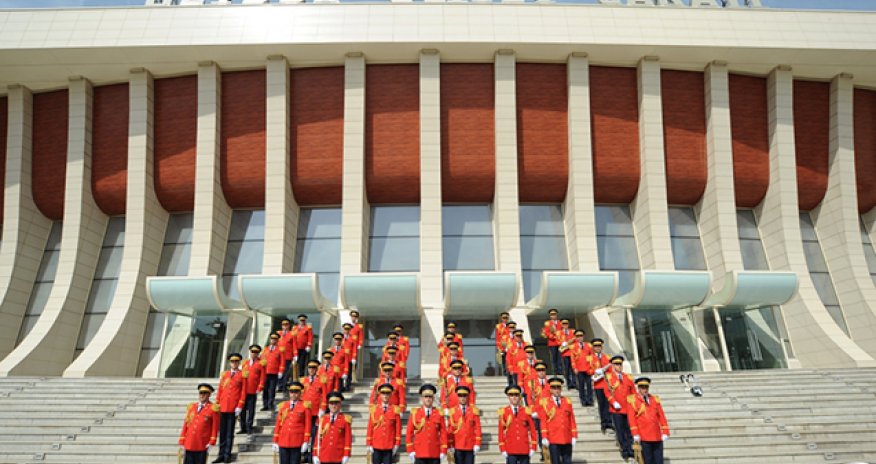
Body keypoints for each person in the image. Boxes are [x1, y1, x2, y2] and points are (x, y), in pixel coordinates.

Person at [628, 377, 670, 464]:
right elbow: (631, 418)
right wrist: (635, 433)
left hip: (656, 435)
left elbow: (661, 416)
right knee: (648, 460)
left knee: (659, 460)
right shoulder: (633, 400)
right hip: (644, 436)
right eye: (642, 387)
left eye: (646, 387)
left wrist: (665, 431)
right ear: (638, 388)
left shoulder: (654, 399)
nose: (645, 389)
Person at [537, 377, 577, 464]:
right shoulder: (545, 403)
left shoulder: (567, 401)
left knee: (567, 461)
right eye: (554, 388)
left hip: (566, 437)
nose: (556, 390)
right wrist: (544, 436)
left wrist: (574, 435)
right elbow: (543, 421)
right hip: (553, 438)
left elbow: (571, 419)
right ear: (550, 389)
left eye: (558, 388)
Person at [214, 353, 246, 463]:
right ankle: (220, 454)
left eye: (236, 361)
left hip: (233, 407)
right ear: (230, 363)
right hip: (223, 406)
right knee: (222, 432)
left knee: (229, 433)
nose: (234, 363)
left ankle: (227, 454)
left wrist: (240, 406)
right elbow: (220, 390)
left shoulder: (242, 375)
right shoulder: (225, 375)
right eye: (232, 361)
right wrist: (217, 403)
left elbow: (243, 392)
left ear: (239, 363)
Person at [604, 355, 636, 461]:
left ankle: (631, 449)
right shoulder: (609, 377)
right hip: (616, 409)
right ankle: (625, 450)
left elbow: (633, 393)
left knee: (629, 430)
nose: (619, 366)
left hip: (628, 408)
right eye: (617, 364)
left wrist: (633, 405)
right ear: (613, 365)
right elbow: (607, 392)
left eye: (620, 364)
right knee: (620, 430)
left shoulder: (628, 377)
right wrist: (613, 402)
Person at [406, 384, 448, 464]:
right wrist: (410, 450)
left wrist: (443, 450)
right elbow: (409, 433)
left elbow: (443, 433)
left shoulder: (439, 413)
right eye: (426, 396)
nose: (428, 399)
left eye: (430, 397)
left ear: (433, 398)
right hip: (419, 452)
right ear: (422, 398)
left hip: (434, 453)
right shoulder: (415, 413)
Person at [178, 383, 220, 464]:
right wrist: (182, 439)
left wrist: (212, 441)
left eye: (204, 393)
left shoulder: (213, 408)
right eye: (200, 393)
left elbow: (215, 427)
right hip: (189, 442)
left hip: (202, 443)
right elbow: (186, 424)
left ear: (209, 394)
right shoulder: (192, 407)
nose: (202, 395)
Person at [272, 382, 312, 464]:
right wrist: (275, 440)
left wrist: (306, 441)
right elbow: (278, 424)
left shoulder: (305, 406)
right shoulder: (283, 406)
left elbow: (307, 425)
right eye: (291, 392)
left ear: (300, 393)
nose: (294, 394)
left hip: (296, 441)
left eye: (296, 392)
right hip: (283, 440)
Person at [497, 385, 538, 464]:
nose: (514, 397)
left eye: (516, 395)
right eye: (511, 395)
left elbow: (533, 430)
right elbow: (501, 432)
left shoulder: (526, 411)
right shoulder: (504, 412)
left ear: (519, 396)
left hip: (524, 448)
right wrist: (502, 448)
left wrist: (533, 447)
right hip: (510, 449)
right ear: (508, 397)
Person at [366, 383, 403, 464]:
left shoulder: (395, 410)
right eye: (383, 393)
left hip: (389, 445)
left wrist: (397, 444)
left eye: (387, 393)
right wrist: (369, 443)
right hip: (376, 444)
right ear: (380, 395)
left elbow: (398, 428)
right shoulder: (374, 409)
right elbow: (370, 427)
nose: (385, 396)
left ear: (390, 395)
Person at [313, 392, 352, 464]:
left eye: (336, 403)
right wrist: (315, 454)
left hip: (338, 455)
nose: (334, 406)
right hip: (324, 455)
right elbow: (318, 438)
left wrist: (347, 454)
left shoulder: (345, 419)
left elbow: (348, 439)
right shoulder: (323, 419)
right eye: (331, 403)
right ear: (328, 405)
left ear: (340, 404)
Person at [301, 360, 328, 463]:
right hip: (304, 413)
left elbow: (325, 396)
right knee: (304, 434)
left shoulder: (321, 381)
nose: (311, 370)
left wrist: (322, 408)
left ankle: (312, 455)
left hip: (315, 413)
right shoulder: (303, 381)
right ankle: (303, 455)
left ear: (316, 370)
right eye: (309, 368)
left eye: (313, 368)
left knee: (314, 434)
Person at [447, 386, 481, 464]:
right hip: (458, 445)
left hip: (470, 445)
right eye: (460, 395)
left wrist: (477, 443)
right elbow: (450, 429)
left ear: (468, 396)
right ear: (457, 397)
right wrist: (450, 444)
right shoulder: (453, 411)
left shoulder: (474, 411)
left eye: (464, 395)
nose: (462, 398)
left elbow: (477, 428)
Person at [239, 344, 265, 434]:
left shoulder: (260, 363)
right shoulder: (245, 363)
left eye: (256, 352)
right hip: (243, 390)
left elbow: (262, 377)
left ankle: (249, 426)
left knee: (251, 410)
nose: (254, 354)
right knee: (242, 410)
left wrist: (260, 387)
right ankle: (243, 427)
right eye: (253, 352)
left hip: (252, 390)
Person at [588, 339, 613, 433]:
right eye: (596, 346)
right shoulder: (590, 358)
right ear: (593, 348)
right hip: (598, 384)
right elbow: (588, 370)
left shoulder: (607, 357)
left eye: (599, 346)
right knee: (601, 404)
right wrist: (595, 372)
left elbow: (611, 370)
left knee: (608, 403)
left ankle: (609, 422)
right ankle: (604, 423)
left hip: (607, 384)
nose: (597, 348)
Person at [569, 330, 594, 407]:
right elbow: (572, 358)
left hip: (588, 368)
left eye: (581, 336)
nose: (579, 338)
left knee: (589, 385)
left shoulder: (588, 345)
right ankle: (583, 400)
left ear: (583, 337)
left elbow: (592, 356)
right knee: (581, 385)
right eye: (578, 337)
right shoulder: (573, 346)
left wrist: (592, 367)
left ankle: (590, 400)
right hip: (579, 368)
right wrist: (574, 368)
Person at [261, 333, 285, 411]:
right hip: (265, 372)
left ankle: (270, 404)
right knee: (265, 389)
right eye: (272, 339)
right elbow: (261, 360)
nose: (273, 341)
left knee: (272, 389)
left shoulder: (280, 350)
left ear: (277, 340)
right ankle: (265, 404)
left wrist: (281, 371)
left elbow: (282, 361)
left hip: (274, 372)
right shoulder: (265, 349)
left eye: (275, 339)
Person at [541, 309, 562, 375]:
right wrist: (553, 337)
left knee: (560, 357)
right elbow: (546, 332)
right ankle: (555, 371)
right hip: (552, 342)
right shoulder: (547, 323)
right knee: (553, 357)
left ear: (556, 315)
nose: (553, 316)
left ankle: (560, 371)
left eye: (554, 314)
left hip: (560, 343)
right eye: (551, 315)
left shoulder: (560, 322)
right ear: (550, 316)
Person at [277, 320, 297, 391]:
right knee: (279, 371)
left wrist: (295, 354)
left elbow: (294, 345)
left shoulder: (292, 334)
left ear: (289, 326)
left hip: (287, 356)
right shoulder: (278, 334)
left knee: (285, 372)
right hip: (278, 356)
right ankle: (279, 385)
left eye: (286, 325)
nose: (285, 327)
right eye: (284, 325)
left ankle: (283, 385)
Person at [558, 319, 577, 389]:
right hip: (565, 353)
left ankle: (574, 383)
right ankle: (569, 383)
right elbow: (558, 341)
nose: (565, 325)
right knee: (566, 369)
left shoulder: (573, 331)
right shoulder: (559, 332)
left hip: (572, 352)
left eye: (566, 324)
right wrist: (562, 343)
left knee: (573, 368)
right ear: (562, 325)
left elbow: (575, 340)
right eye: (563, 324)